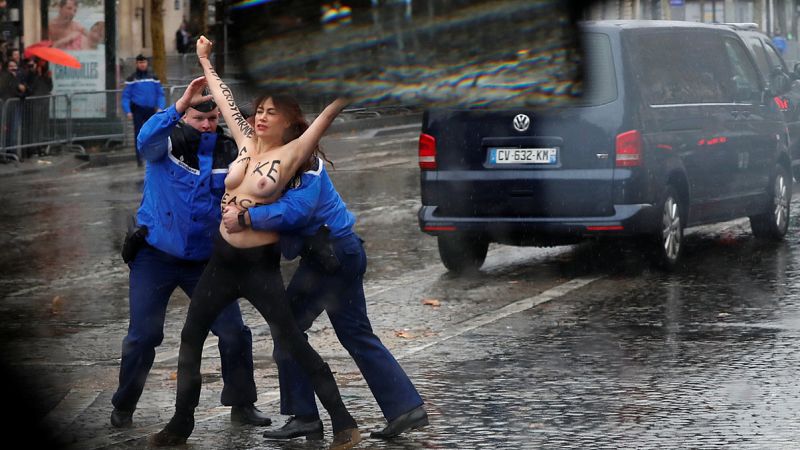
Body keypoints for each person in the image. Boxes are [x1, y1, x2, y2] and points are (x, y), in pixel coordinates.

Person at [150, 36, 360, 450]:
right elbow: (225, 99)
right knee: (191, 336)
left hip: (259, 267)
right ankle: (180, 424)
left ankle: (344, 423)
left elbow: (329, 113)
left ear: (288, 122)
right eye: (260, 110)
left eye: (271, 113)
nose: (261, 117)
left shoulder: (293, 154)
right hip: (221, 264)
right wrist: (205, 60)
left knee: (292, 341)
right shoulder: (246, 143)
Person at [221, 110, 430, 439]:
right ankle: (405, 407)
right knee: (356, 335)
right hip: (338, 253)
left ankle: (304, 415)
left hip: (330, 257)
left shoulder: (305, 163)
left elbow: (296, 210)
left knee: (286, 328)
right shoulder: (277, 160)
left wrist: (247, 219)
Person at [110, 77, 271, 430]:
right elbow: (144, 140)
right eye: (200, 119)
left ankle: (243, 404)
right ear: (186, 117)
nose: (207, 125)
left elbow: (263, 172)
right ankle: (124, 404)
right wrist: (180, 103)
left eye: (213, 119)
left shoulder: (231, 151)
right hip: (155, 254)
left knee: (233, 332)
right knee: (144, 335)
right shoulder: (164, 144)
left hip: (204, 260)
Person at [122, 54, 166, 167]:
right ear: (136, 64)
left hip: (151, 110)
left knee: (153, 134)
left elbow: (160, 94)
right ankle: (139, 159)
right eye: (140, 62)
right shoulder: (132, 79)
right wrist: (127, 111)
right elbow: (126, 96)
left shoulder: (153, 77)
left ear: (147, 63)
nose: (142, 64)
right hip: (137, 110)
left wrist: (160, 107)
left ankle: (153, 157)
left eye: (144, 62)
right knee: (138, 135)